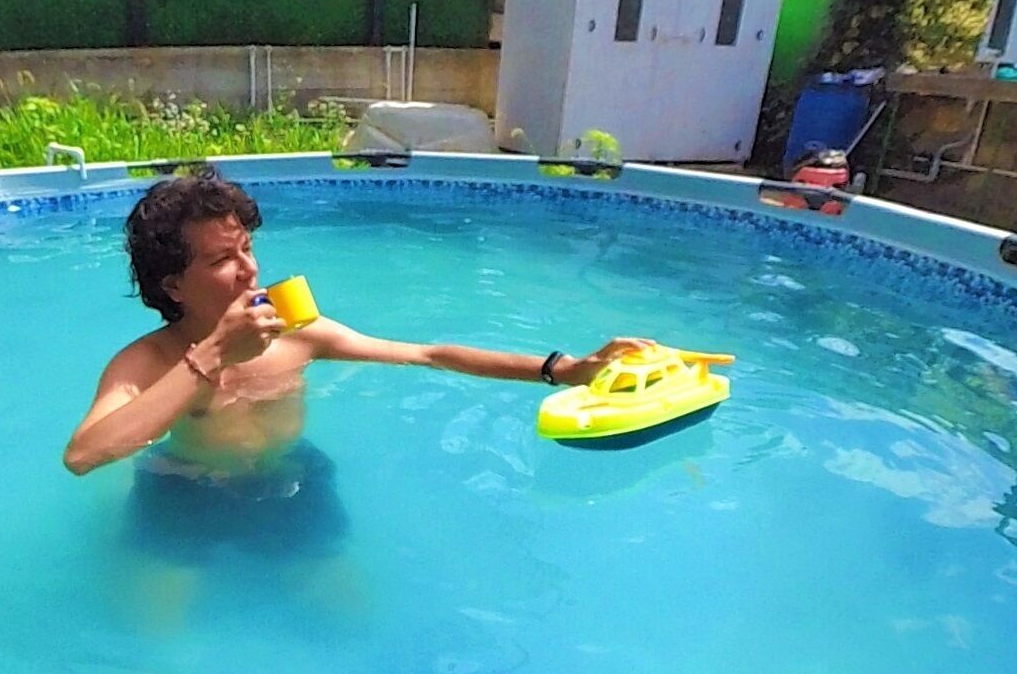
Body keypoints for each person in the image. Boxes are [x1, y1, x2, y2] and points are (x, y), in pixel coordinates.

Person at [65, 171, 650, 567]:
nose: (249, 270)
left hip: (288, 479)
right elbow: (85, 455)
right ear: (173, 284)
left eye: (247, 248)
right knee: (157, 652)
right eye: (222, 259)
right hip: (185, 492)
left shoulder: (296, 332)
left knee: (349, 618)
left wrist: (565, 368)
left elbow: (428, 354)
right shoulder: (147, 361)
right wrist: (214, 353)